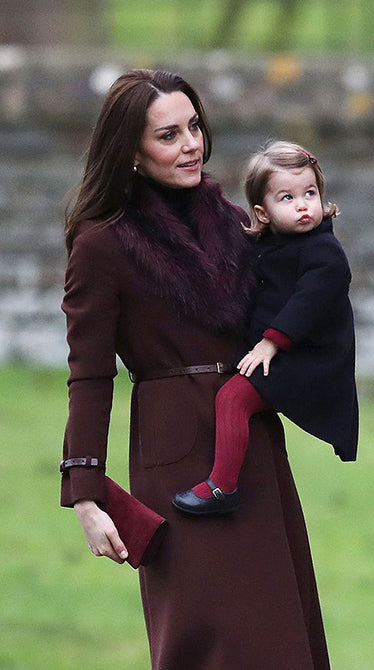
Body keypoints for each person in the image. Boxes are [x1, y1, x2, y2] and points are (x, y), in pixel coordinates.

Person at [60, 69, 330, 668]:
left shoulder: (238, 222)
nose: (191, 145)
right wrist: (85, 494)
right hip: (174, 455)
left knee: (276, 632)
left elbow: (305, 287)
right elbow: (89, 374)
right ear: (130, 150)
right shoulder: (101, 243)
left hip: (250, 445)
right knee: (206, 637)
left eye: (195, 127)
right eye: (168, 135)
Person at [173, 140, 359, 515]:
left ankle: (223, 488)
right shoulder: (269, 245)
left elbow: (308, 303)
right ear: (263, 212)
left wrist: (270, 343)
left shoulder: (325, 253)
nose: (303, 204)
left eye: (310, 192)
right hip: (282, 351)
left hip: (308, 359)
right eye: (287, 198)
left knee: (233, 399)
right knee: (229, 396)